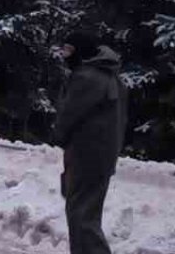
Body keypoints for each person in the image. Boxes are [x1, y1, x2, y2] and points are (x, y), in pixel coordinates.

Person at [53, 31, 127, 254]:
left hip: (87, 155)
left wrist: (58, 135)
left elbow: (69, 113)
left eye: (68, 50)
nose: (64, 55)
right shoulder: (110, 76)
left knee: (81, 215)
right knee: (87, 213)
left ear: (81, 52)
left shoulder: (87, 77)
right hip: (101, 156)